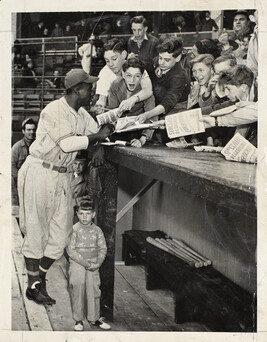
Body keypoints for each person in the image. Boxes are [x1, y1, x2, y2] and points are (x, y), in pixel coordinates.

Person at [17, 69, 114, 306]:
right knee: (36, 230)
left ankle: (39, 278)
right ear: (76, 90)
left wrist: (98, 143)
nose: (91, 91)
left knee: (62, 235)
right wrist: (95, 139)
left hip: (62, 175)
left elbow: (96, 132)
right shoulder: (53, 110)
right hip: (40, 170)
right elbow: (69, 143)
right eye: (88, 87)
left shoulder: (81, 113)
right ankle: (34, 285)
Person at [66, 200, 111, 331]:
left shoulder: (98, 230)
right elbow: (71, 250)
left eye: (88, 213)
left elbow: (103, 248)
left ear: (94, 214)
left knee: (94, 290)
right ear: (77, 214)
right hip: (77, 264)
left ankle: (94, 318)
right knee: (78, 290)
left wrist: (98, 263)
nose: (84, 217)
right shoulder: (73, 230)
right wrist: (85, 263)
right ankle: (78, 320)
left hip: (94, 264)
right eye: (81, 213)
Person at [136, 37, 190, 123]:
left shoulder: (180, 76)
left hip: (174, 109)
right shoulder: (158, 62)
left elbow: (169, 101)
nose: (161, 62)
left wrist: (148, 114)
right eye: (160, 58)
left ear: (178, 58)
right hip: (155, 103)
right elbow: (147, 66)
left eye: (167, 60)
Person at [95, 38, 153, 113]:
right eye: (107, 61)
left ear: (123, 54)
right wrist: (99, 106)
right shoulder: (105, 72)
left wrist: (133, 99)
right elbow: (102, 99)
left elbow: (148, 90)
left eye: (114, 59)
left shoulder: (135, 66)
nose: (111, 64)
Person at [108, 57, 156, 147]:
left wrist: (142, 139)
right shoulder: (115, 85)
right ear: (123, 74)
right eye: (129, 75)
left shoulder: (145, 91)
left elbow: (152, 117)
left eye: (137, 76)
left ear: (142, 76)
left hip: (138, 131)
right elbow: (111, 109)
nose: (132, 80)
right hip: (119, 129)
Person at [11, 118, 37, 205]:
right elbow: (12, 166)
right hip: (21, 183)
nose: (32, 132)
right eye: (29, 130)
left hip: (36, 183)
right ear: (23, 131)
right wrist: (20, 180)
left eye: (33, 129)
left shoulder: (39, 146)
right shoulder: (16, 147)